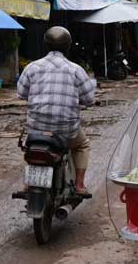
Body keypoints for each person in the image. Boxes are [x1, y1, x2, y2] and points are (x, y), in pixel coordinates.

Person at [17, 26, 97, 197]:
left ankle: (28, 183)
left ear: (45, 45)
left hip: (36, 129)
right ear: (68, 46)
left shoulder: (31, 67)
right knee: (82, 145)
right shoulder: (76, 69)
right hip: (66, 131)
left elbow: (22, 94)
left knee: (31, 148)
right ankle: (80, 185)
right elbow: (89, 99)